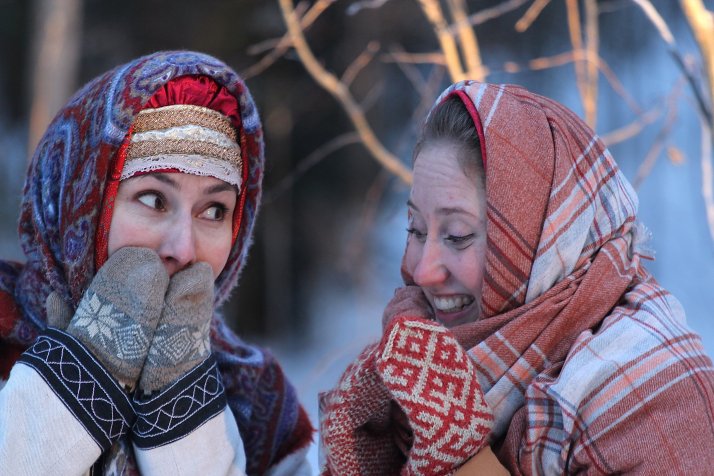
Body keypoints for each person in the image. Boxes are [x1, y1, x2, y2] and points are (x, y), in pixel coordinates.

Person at [320, 80, 714, 474]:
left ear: (545, 244)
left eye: (457, 235)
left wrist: (461, 454)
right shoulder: (413, 373)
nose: (422, 271)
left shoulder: (655, 401)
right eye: (416, 230)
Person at [0, 50, 313, 475]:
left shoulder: (257, 403)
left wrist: (184, 415)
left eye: (214, 211)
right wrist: (83, 374)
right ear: (79, 200)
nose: (182, 248)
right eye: (153, 200)